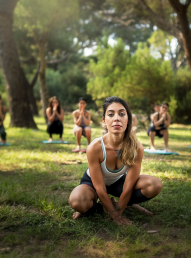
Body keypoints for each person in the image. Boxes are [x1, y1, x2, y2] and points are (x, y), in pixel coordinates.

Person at [69, 96, 162, 225]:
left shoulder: (136, 147)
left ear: (128, 119)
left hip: (117, 182)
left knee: (154, 184)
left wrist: (120, 210)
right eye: (111, 114)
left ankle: (118, 204)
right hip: (93, 183)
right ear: (104, 121)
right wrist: (114, 214)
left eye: (122, 114)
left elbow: (128, 186)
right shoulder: (95, 147)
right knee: (77, 202)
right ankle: (98, 207)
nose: (116, 118)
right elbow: (100, 188)